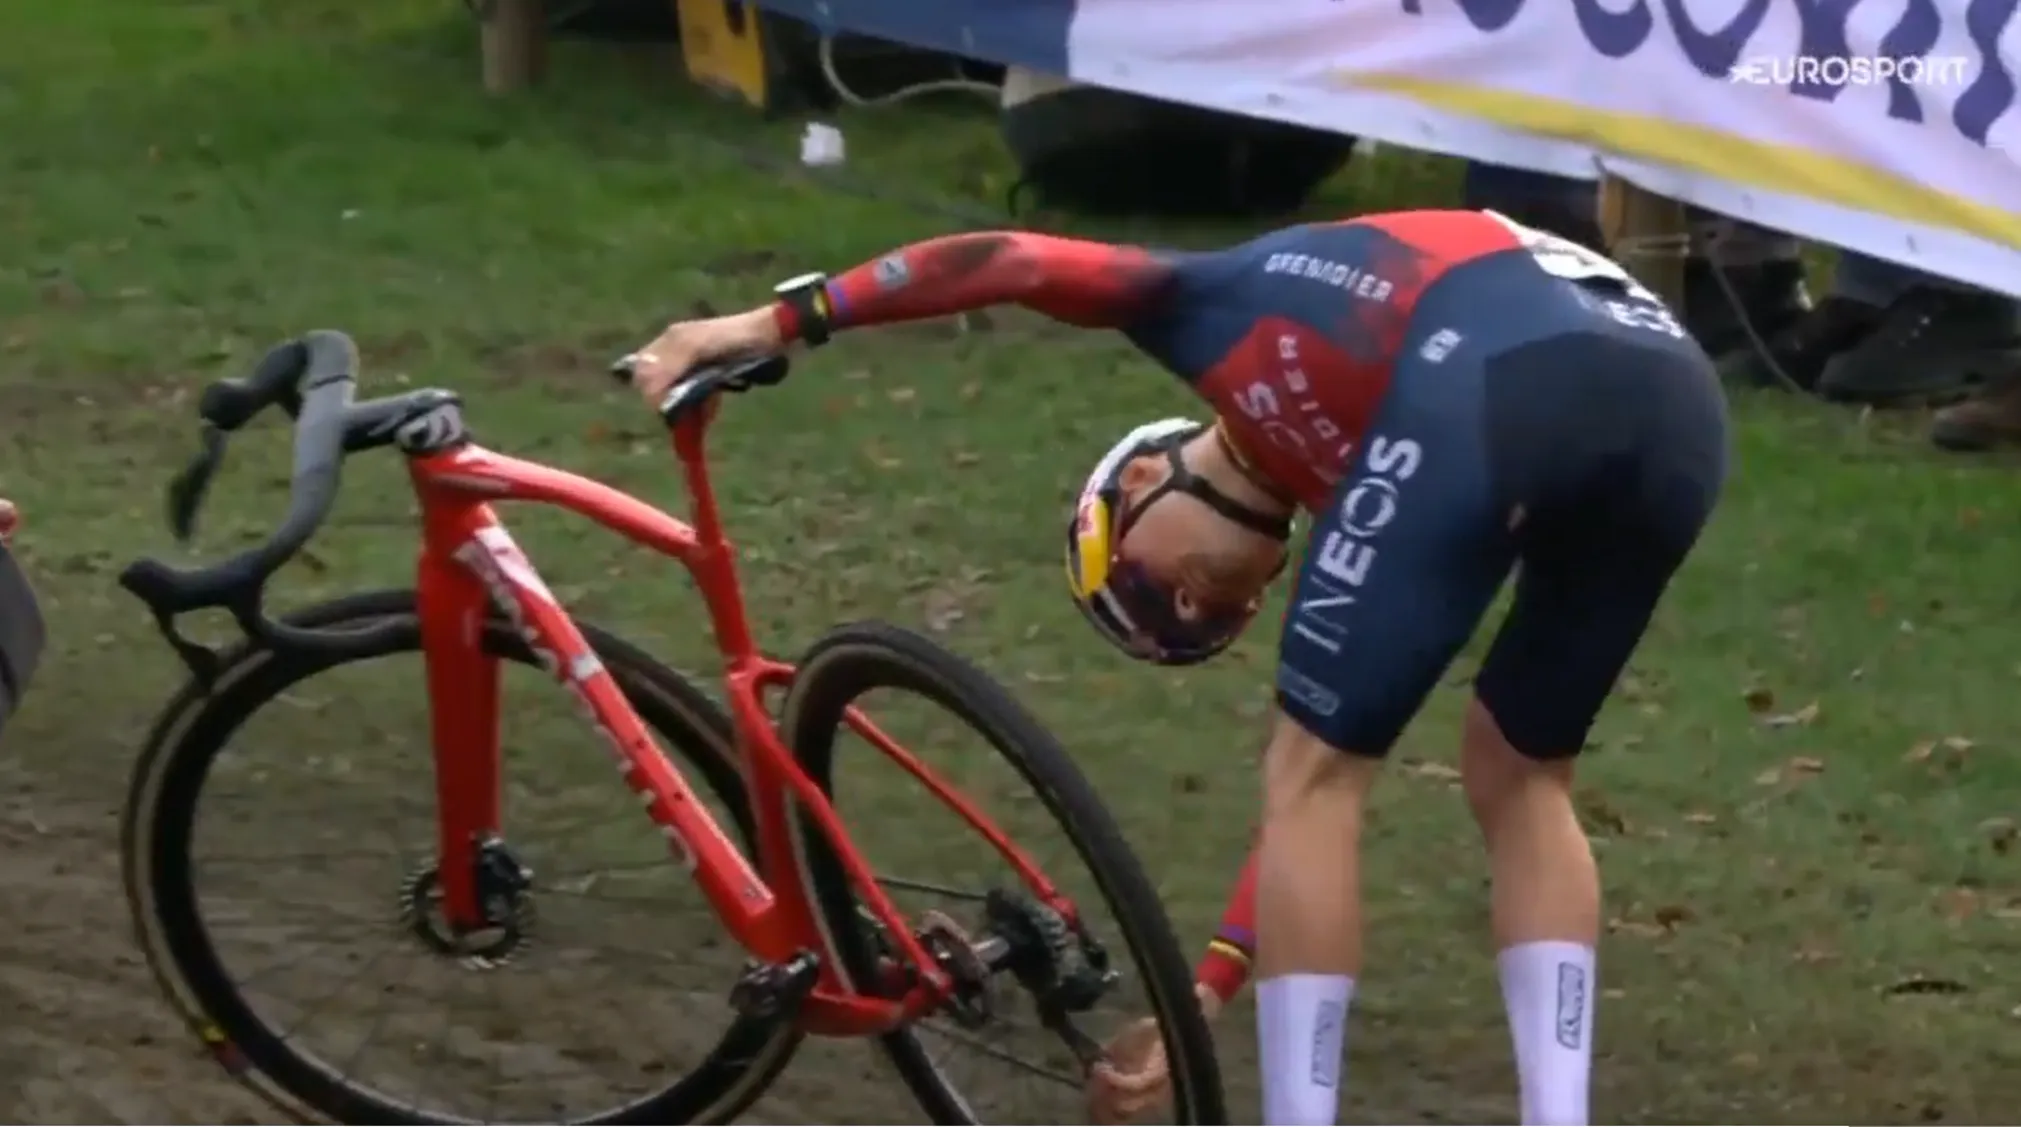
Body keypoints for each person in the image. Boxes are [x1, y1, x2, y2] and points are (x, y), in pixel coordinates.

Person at [623, 208, 1730, 1126]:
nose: (1192, 611)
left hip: (1503, 361)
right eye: (1194, 627)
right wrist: (1203, 991)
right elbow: (1302, 818)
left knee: (1313, 772)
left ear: (1143, 475)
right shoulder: (1369, 475)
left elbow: (1009, 262)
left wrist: (772, 319)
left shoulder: (1209, 312)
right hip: (1669, 401)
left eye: (1144, 588)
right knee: (1515, 769)